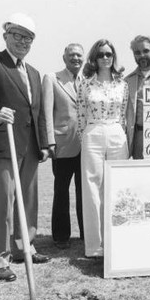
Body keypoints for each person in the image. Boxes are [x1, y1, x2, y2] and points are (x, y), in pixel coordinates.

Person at [0, 12, 50, 282]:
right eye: (17, 36)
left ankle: (24, 247)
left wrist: (45, 143)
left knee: (27, 200)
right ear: (5, 36)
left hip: (30, 146)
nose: (23, 42)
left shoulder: (34, 73)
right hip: (2, 142)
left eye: (28, 38)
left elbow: (37, 113)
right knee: (4, 200)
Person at [77, 39, 129, 257]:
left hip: (117, 132)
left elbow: (124, 114)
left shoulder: (122, 85)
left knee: (118, 186)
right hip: (93, 132)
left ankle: (118, 240)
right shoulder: (86, 84)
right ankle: (94, 246)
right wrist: (85, 137)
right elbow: (80, 116)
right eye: (101, 55)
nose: (105, 58)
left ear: (114, 57)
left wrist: (120, 133)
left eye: (109, 54)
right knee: (92, 188)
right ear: (94, 59)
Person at [42, 43, 85, 249]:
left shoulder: (88, 81)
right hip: (62, 145)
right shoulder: (52, 78)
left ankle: (87, 233)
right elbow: (46, 113)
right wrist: (49, 141)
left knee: (84, 192)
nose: (76, 58)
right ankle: (60, 236)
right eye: (72, 55)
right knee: (61, 192)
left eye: (79, 55)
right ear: (64, 57)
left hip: (85, 146)